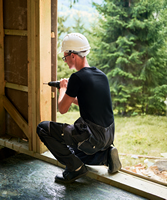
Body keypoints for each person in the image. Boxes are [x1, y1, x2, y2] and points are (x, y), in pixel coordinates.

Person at [37, 33, 122, 184]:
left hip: (93, 137)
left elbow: (62, 109)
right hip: (107, 136)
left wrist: (63, 88)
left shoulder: (77, 77)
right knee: (74, 151)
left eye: (65, 57)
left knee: (43, 128)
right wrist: (69, 91)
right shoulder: (101, 75)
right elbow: (88, 103)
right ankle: (106, 155)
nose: (65, 61)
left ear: (73, 55)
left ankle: (75, 169)